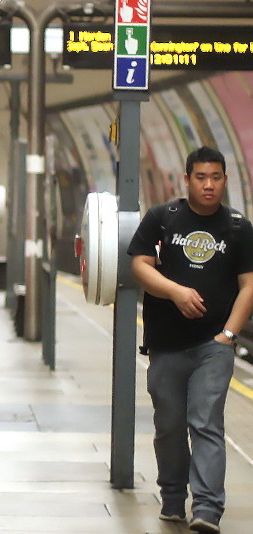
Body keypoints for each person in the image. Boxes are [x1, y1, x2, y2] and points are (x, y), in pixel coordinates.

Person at [127, 146, 253, 533]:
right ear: (186, 180)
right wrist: (175, 292)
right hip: (166, 344)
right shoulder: (162, 218)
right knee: (168, 424)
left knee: (205, 421)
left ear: (226, 181)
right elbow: (138, 266)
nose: (209, 185)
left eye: (216, 178)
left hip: (212, 347)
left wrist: (228, 335)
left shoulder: (237, 227)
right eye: (201, 177)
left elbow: (249, 285)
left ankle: (208, 509)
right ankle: (173, 497)